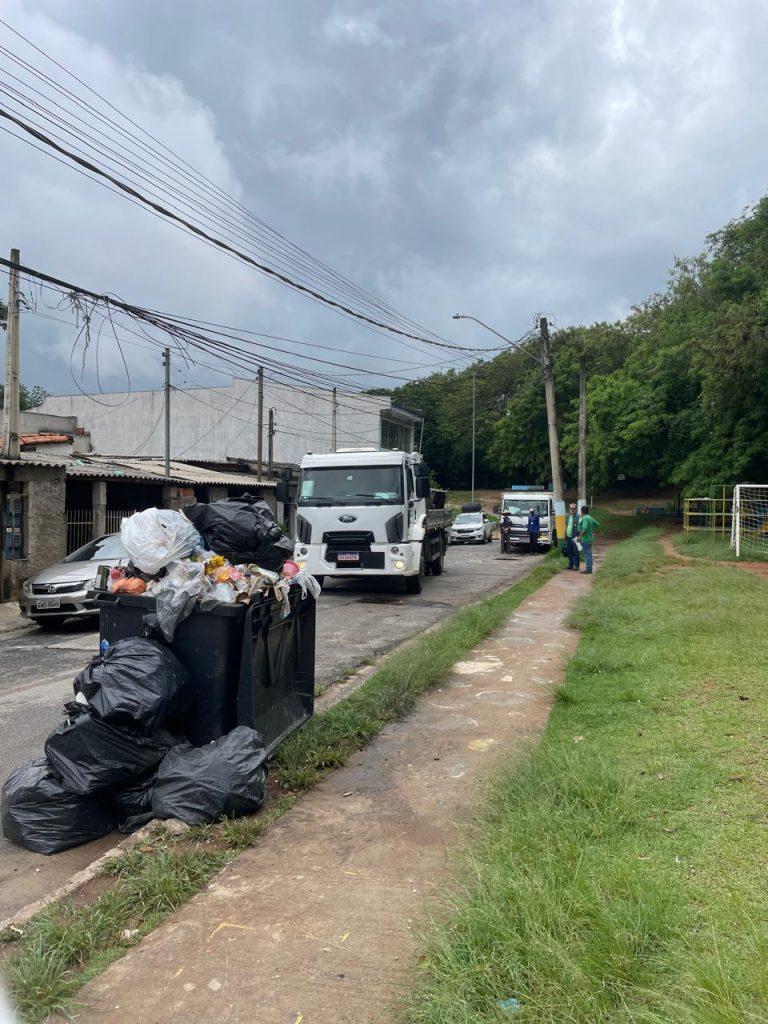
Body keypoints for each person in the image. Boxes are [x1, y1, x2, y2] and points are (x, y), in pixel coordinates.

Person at [578, 505, 599, 574]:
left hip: (585, 539)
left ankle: (588, 569)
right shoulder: (589, 517)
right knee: (589, 553)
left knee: (587, 554)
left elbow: (585, 528)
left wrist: (580, 536)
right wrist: (592, 532)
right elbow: (597, 524)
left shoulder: (584, 518)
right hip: (590, 539)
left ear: (582, 511)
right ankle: (589, 566)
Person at [564, 502, 581, 570]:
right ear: (569, 509)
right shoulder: (567, 516)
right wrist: (565, 533)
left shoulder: (579, 516)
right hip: (568, 536)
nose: (572, 509)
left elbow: (580, 527)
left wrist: (580, 536)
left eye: (574, 508)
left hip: (575, 537)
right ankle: (571, 564)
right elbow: (566, 525)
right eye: (571, 508)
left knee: (576, 551)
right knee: (569, 551)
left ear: (575, 509)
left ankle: (576, 565)